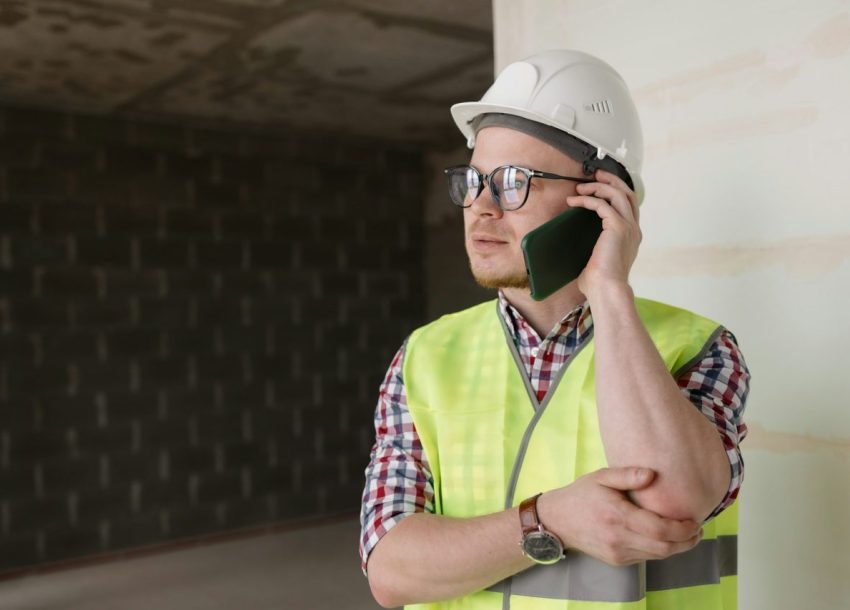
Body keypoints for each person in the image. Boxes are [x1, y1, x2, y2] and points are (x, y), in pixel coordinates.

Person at [359, 49, 750, 610]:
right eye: (474, 179)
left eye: (514, 180)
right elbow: (391, 572)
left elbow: (675, 498)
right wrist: (549, 520)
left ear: (601, 200)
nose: (480, 205)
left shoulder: (700, 349)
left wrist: (611, 293)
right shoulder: (424, 357)